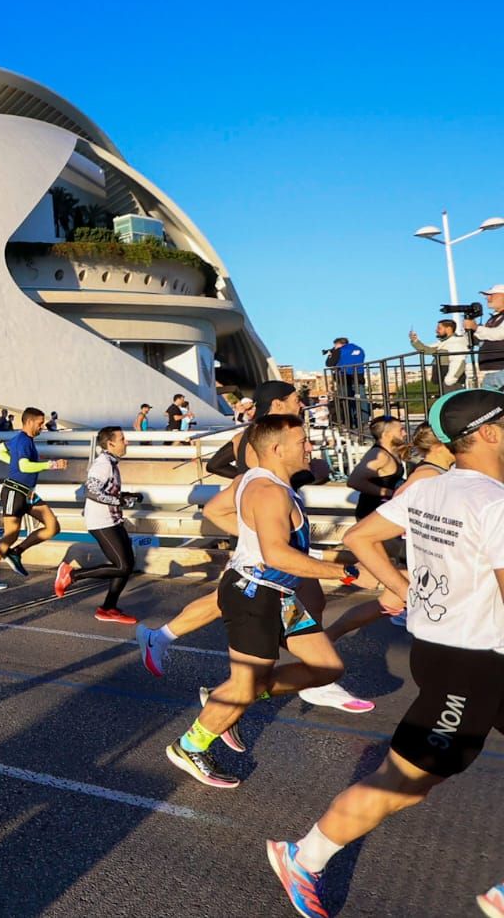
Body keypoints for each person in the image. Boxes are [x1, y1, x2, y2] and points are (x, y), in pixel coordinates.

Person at [266, 389, 504, 918]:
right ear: (487, 432)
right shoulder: (494, 503)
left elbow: (362, 535)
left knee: (412, 783)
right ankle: (303, 857)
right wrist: (410, 588)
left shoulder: (434, 489)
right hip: (471, 664)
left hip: (454, 654)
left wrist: (407, 587)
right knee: (403, 783)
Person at [164, 414, 352, 788]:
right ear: (278, 448)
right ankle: (191, 745)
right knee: (247, 682)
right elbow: (278, 555)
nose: (310, 447)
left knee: (326, 667)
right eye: (303, 442)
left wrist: (251, 539)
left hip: (280, 595)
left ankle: (233, 695)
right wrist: (342, 573)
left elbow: (219, 513)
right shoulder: (269, 492)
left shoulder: (257, 480)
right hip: (255, 595)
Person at [54, 426, 142, 622]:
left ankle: (108, 608)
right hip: (101, 522)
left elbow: (106, 491)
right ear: (110, 444)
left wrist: (126, 496)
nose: (126, 442)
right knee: (122, 566)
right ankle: (72, 575)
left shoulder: (111, 462)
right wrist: (119, 501)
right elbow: (91, 491)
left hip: (112, 519)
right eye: (122, 439)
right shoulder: (103, 464)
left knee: (127, 565)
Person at [0, 407, 67, 590]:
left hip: (28, 493)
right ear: (29, 422)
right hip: (14, 491)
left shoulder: (20, 439)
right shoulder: (24, 440)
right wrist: (51, 464)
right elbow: (24, 466)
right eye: (40, 423)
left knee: (52, 526)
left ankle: (16, 552)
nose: (42, 427)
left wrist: (14, 463)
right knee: (10, 535)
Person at [347, 416, 407, 521]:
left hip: (385, 513)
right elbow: (354, 481)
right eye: (400, 430)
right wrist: (389, 493)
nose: (405, 433)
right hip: (371, 514)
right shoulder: (379, 455)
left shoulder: (391, 452)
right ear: (386, 435)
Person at [409, 318, 472, 393]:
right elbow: (426, 349)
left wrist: (450, 380)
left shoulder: (456, 342)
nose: (436, 330)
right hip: (445, 382)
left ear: (449, 329)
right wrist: (415, 340)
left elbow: (459, 362)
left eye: (439, 328)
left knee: (452, 402)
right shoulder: (443, 343)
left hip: (452, 384)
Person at [463, 284, 504, 390]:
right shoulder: (493, 318)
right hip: (490, 372)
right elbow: (478, 340)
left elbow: (499, 334)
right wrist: (469, 331)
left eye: (492, 295)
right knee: (492, 405)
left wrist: (476, 327)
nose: (487, 298)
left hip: (501, 370)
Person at [327, 336, 367, 428]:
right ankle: (364, 421)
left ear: (338, 344)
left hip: (344, 379)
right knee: (361, 399)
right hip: (359, 377)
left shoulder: (339, 350)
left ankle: (350, 423)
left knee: (346, 400)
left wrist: (330, 354)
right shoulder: (359, 349)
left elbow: (329, 363)